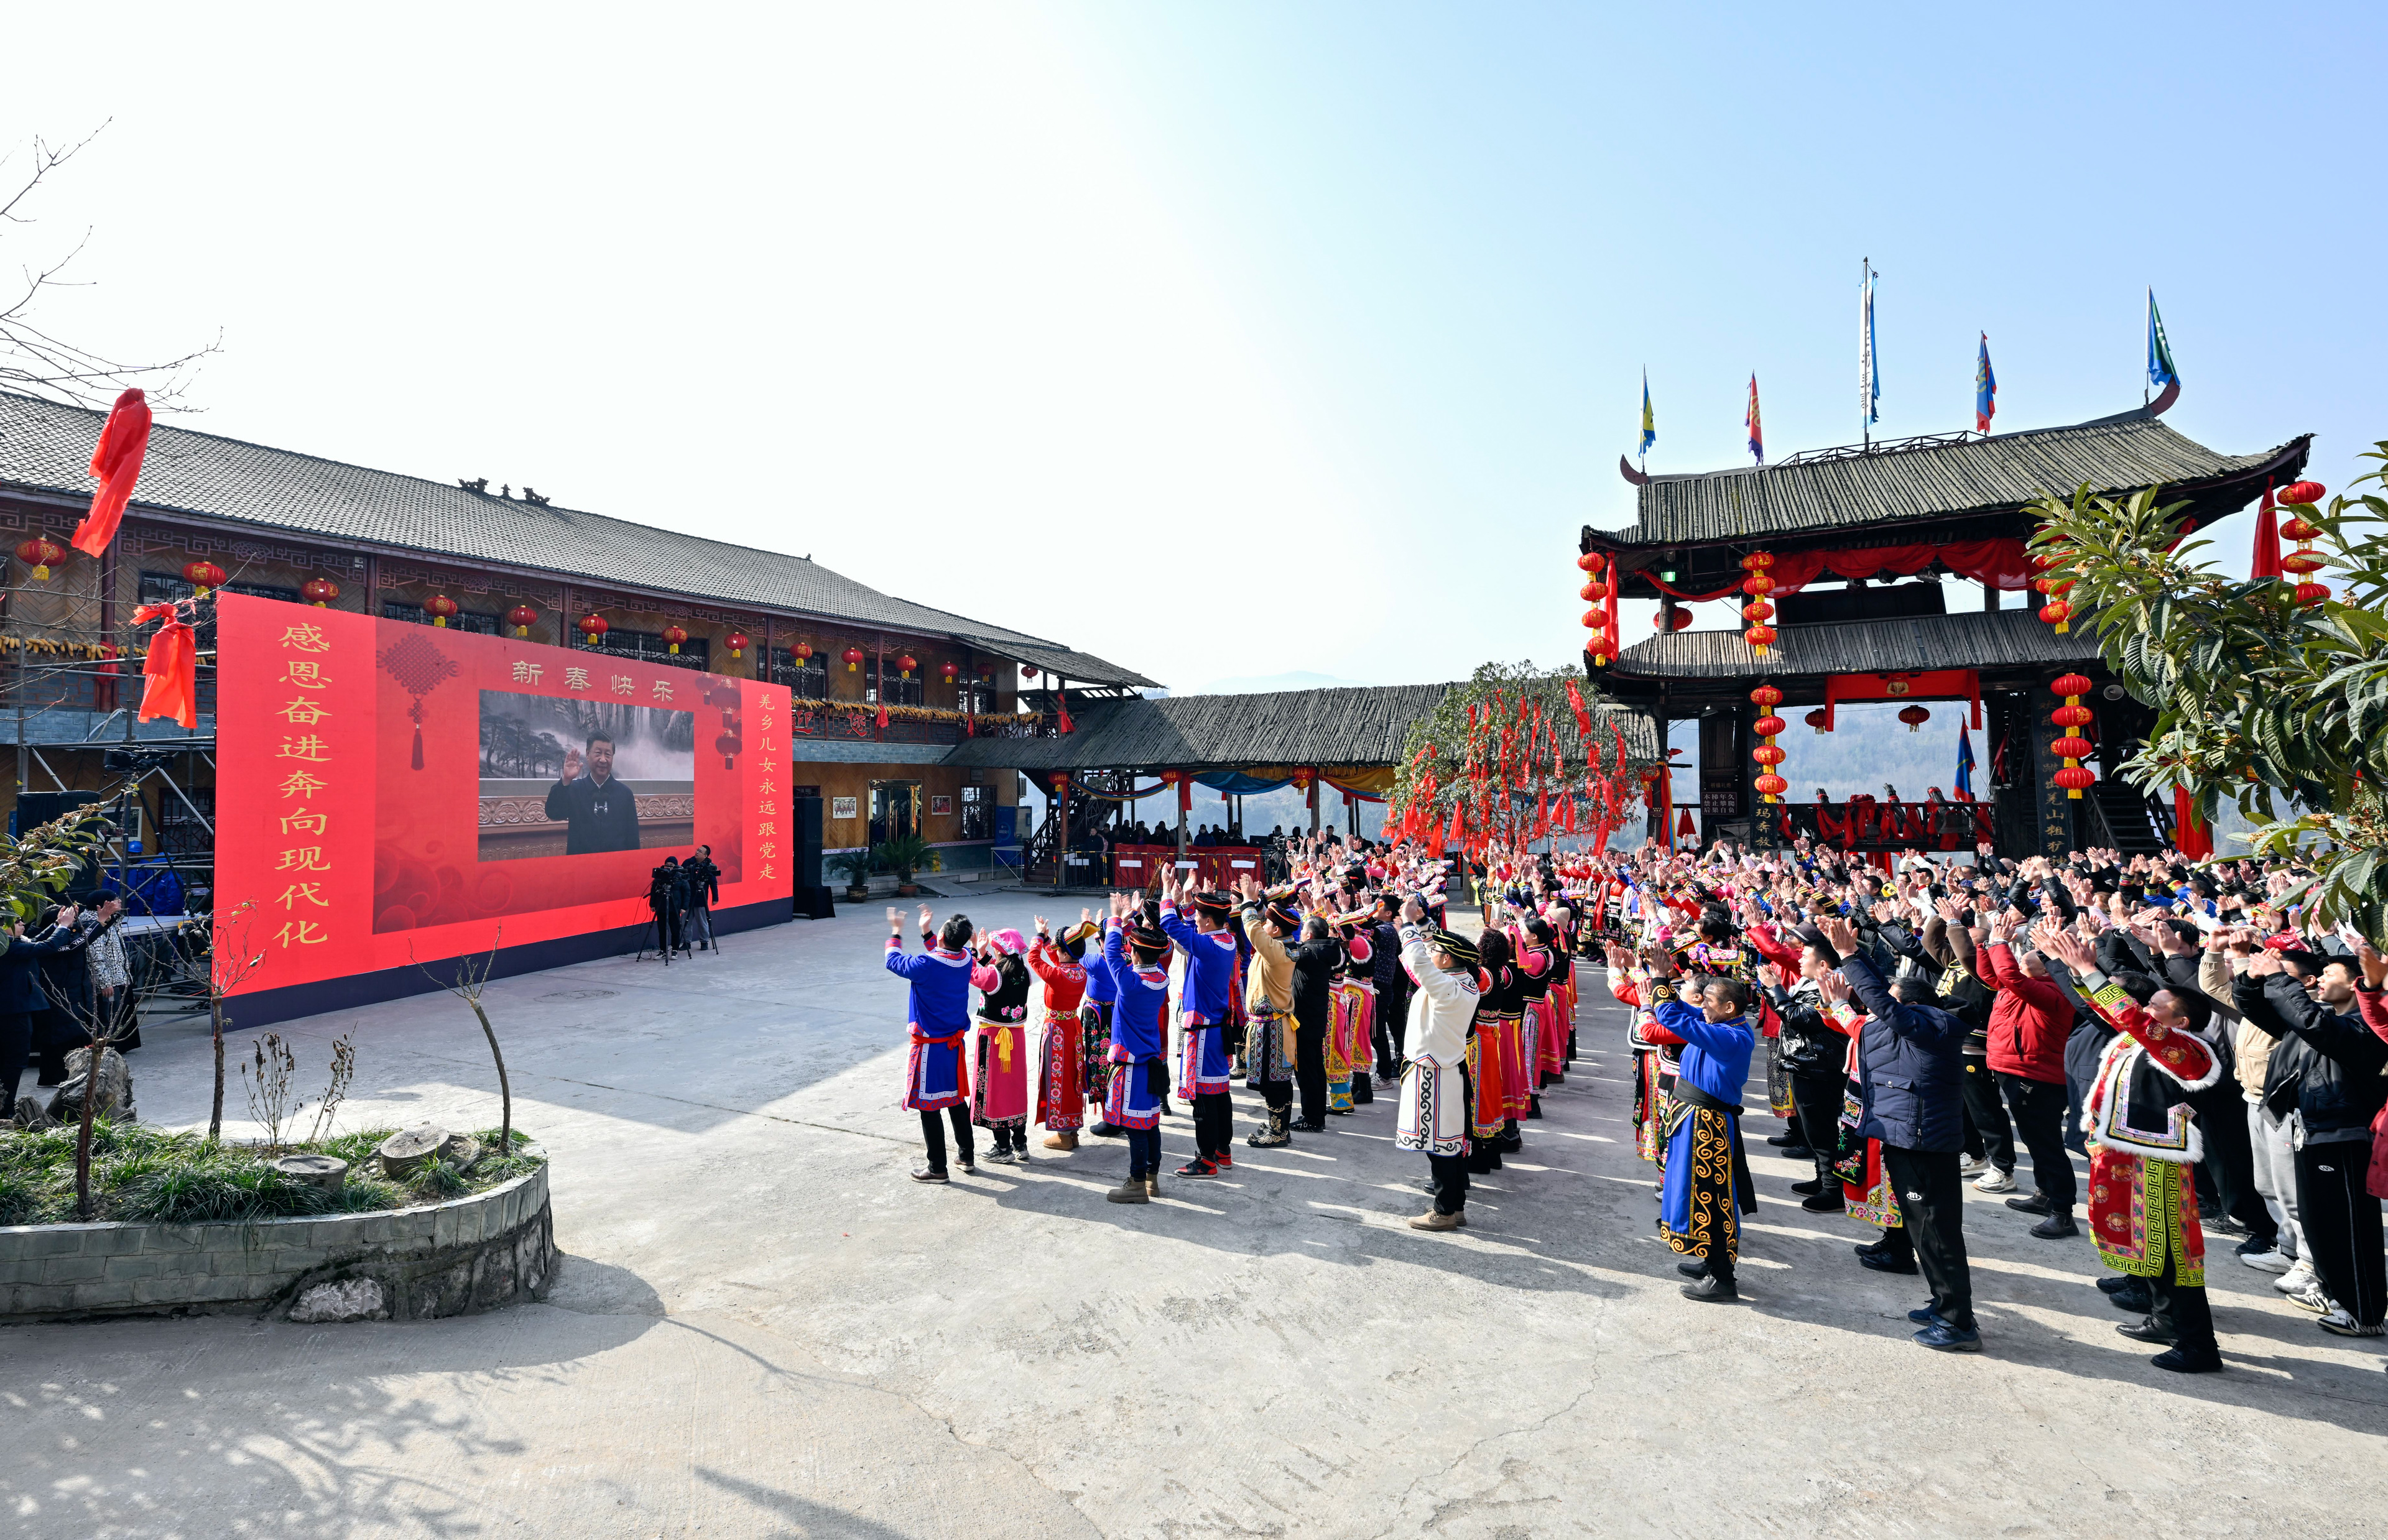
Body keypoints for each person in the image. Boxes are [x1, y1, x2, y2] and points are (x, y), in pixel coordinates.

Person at [2042, 924, 2231, 1370]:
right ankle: (2165, 1318)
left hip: (2159, 1164)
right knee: (2151, 1248)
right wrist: (2069, 967)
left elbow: (2134, 1020)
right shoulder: (2143, 1038)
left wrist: (2092, 969)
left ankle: (2199, 1345)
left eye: (2157, 1006)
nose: (2147, 1010)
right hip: (2131, 1157)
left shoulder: (2189, 1048)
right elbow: (2114, 1014)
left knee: (2171, 1253)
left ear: (2180, 1021)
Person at [1821, 913, 1982, 1352]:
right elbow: (1864, 1016)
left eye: (1888, 1003)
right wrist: (1847, 979)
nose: (1878, 1009)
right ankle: (1942, 1303)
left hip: (1926, 1143)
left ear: (1912, 1006)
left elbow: (1885, 1006)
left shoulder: (1937, 1026)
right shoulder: (1897, 1030)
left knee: (1938, 1232)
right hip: (1902, 1139)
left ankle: (1958, 1321)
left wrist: (1851, 957)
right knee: (1922, 1232)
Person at [1643, 952, 1757, 1302]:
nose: (1702, 1006)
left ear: (1729, 1008)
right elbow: (1687, 1015)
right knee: (1696, 1195)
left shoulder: (1732, 1038)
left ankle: (1723, 1278)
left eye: (1709, 1001)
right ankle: (1710, 1259)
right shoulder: (1723, 1025)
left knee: (1712, 1198)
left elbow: (1675, 1018)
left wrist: (1661, 979)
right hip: (1693, 1117)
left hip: (1707, 1124)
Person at [1960, 910, 2080, 1238]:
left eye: (2024, 962)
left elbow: (2010, 976)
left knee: (2046, 1145)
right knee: (2036, 1140)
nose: (2017, 964)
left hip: (2036, 1077)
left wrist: (2000, 942)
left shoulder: (2055, 993)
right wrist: (1985, 944)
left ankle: (2063, 1212)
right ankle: (2044, 1195)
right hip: (2014, 1070)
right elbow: (1991, 975)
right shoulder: (2024, 984)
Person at [1394, 896, 1479, 1232]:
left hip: (1435, 1071)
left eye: (1436, 952)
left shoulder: (1447, 986)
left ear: (1446, 959)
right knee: (1449, 1143)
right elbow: (1423, 958)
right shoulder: (1462, 980)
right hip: (1445, 1066)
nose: (1431, 953)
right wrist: (1422, 925)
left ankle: (1443, 1210)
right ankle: (1454, 1207)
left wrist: (1409, 924)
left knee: (1439, 1145)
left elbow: (1419, 960)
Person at [884, 904, 976, 1183]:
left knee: (930, 1106)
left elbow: (893, 961)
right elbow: (944, 952)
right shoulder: (966, 959)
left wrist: (896, 932)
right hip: (953, 1045)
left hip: (930, 1047)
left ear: (943, 938)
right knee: (956, 1099)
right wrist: (927, 932)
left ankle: (937, 1167)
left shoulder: (927, 965)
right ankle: (966, 1155)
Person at [1157, 881, 1238, 1178]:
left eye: (1199, 918)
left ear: (1206, 921)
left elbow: (1169, 924)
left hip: (1203, 1033)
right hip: (1216, 1030)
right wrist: (1189, 902)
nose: (1196, 922)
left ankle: (1206, 1160)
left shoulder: (1206, 945)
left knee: (1203, 1098)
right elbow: (1188, 926)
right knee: (1220, 1093)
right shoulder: (1225, 940)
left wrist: (1168, 892)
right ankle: (1223, 1151)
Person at [1097, 891, 1171, 1202]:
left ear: (1136, 955)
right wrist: (1129, 922)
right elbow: (1129, 953)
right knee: (1149, 1123)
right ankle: (1152, 1178)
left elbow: (1112, 954)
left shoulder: (1129, 984)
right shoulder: (1161, 978)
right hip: (1151, 1061)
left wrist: (1116, 918)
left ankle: (1137, 1182)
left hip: (1132, 1066)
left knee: (1136, 1127)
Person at [0, 904, 81, 1120]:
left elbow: (35, 944)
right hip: (13, 1012)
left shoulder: (13, 944)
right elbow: (46, 947)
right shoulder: (8, 946)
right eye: (17, 921)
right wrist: (63, 927)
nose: (22, 924)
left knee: (11, 1060)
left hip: (13, 1010)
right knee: (15, 1061)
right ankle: (5, 1109)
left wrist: (57, 924)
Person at [1238, 876, 1301, 1147]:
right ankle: (1279, 1126)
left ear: (1275, 931)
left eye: (1268, 924)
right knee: (1272, 1082)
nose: (1264, 925)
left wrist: (1248, 902)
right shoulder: (1279, 946)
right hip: (1267, 1026)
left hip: (1273, 1029)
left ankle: (1278, 1133)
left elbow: (1252, 929)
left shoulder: (1278, 951)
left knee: (1275, 1083)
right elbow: (1259, 928)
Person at [969, 928, 1034, 1164]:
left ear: (999, 950)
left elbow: (977, 973)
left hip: (994, 1040)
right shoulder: (1024, 972)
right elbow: (994, 972)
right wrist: (984, 952)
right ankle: (1020, 1143)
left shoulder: (993, 975)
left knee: (995, 1091)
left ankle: (1003, 1147)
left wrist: (976, 950)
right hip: (1016, 1039)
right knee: (1015, 1089)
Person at [1031, 916, 1093, 1151]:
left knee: (1058, 1079)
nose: (1055, 952)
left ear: (1065, 954)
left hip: (1057, 1032)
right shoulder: (1080, 972)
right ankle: (1072, 1130)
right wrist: (1049, 940)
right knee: (1073, 1078)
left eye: (1058, 950)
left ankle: (1063, 1134)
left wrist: (1038, 937)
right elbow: (1057, 960)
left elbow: (1033, 958)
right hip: (1073, 1029)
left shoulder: (1058, 976)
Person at [545, 732, 644, 854]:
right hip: (581, 867)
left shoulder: (625, 794)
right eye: (598, 753)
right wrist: (566, 780)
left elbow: (633, 840)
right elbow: (553, 812)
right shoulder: (574, 789)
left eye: (608, 754)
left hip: (616, 867)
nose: (603, 760)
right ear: (587, 754)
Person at [683, 845, 721, 952]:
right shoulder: (688, 863)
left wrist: (715, 898)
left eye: (700, 851)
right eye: (697, 850)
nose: (697, 852)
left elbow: (713, 883)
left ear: (705, 855)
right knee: (686, 921)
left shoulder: (708, 866)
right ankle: (686, 942)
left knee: (703, 922)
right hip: (688, 898)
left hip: (701, 899)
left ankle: (704, 942)